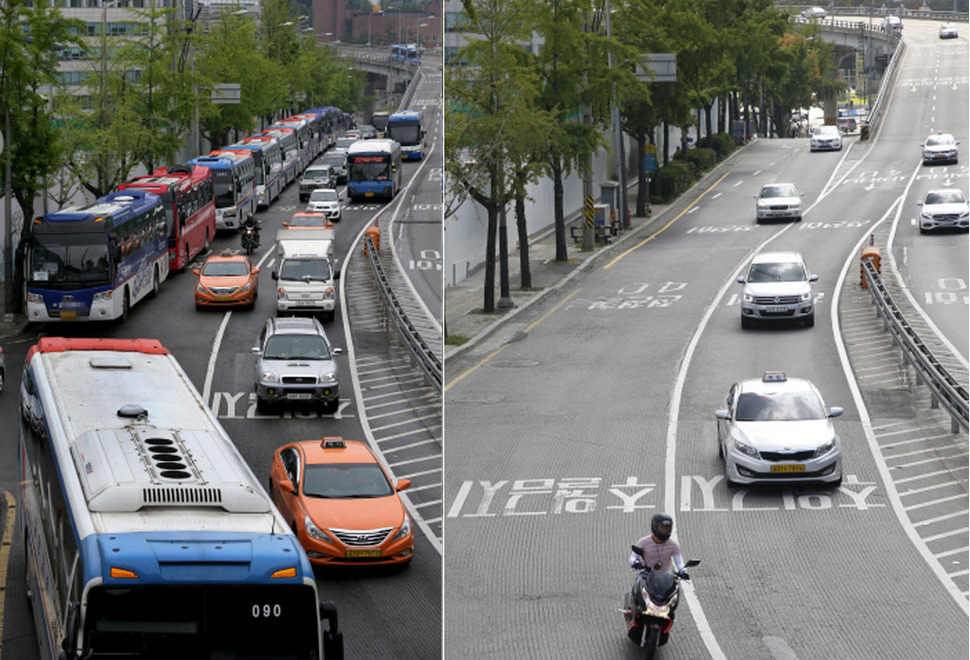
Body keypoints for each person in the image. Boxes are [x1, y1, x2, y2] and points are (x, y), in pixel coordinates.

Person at [629, 513, 689, 579]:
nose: (665, 530)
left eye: (667, 527)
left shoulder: (673, 545)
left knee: (675, 587)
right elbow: (633, 557)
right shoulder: (644, 542)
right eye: (662, 527)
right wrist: (636, 562)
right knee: (637, 585)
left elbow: (679, 563)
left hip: (665, 577)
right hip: (647, 577)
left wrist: (683, 571)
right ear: (655, 526)